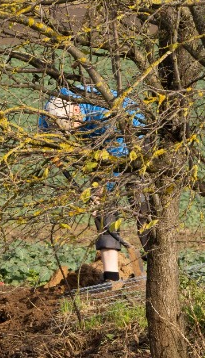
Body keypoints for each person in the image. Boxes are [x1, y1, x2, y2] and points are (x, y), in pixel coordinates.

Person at [40, 87, 147, 284]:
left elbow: (117, 160)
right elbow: (44, 127)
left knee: (139, 199)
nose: (73, 132)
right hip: (97, 146)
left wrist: (100, 193)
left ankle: (154, 254)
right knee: (105, 212)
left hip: (131, 137)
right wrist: (48, 146)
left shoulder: (102, 113)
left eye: (74, 127)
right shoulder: (56, 106)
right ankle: (111, 277)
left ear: (76, 111)